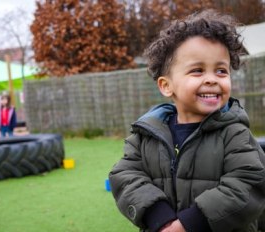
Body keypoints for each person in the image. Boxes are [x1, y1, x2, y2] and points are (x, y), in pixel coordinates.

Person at [109, 9, 265, 232]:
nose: (211, 79)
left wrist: (187, 224)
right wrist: (159, 217)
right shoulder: (145, 135)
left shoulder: (235, 133)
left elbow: (249, 183)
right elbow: (124, 176)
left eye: (221, 70)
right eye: (197, 70)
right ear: (166, 85)